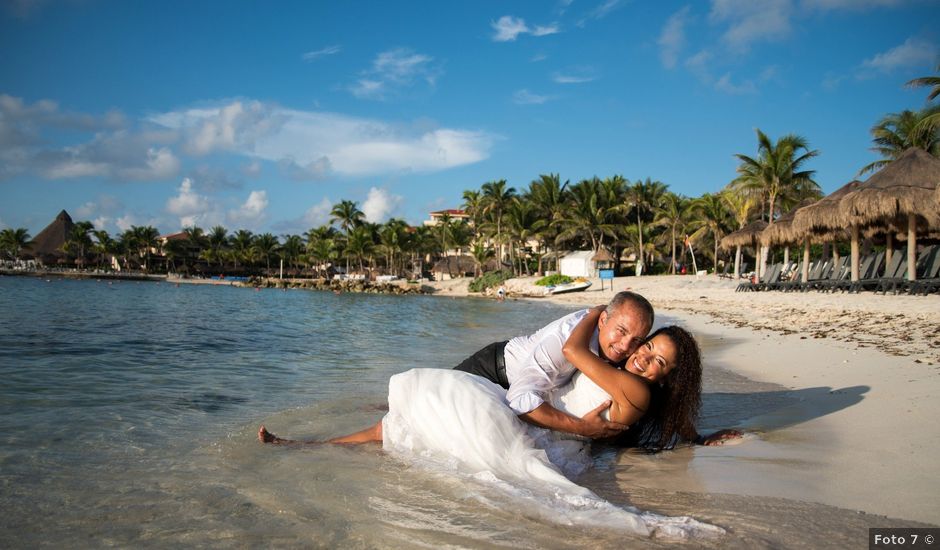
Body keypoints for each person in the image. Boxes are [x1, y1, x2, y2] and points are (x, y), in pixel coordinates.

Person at [452, 291, 654, 441]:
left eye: (636, 340)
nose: (625, 345)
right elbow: (520, 401)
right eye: (621, 331)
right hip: (492, 371)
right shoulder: (565, 338)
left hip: (517, 385)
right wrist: (583, 428)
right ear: (603, 320)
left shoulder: (613, 345)